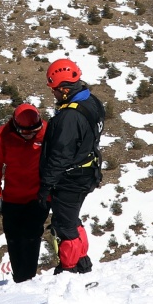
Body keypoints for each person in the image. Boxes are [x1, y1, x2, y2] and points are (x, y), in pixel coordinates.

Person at [38, 59, 107, 275]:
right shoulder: (91, 101)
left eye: (56, 90)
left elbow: (60, 156)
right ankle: (82, 260)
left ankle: (69, 268)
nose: (54, 95)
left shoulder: (68, 117)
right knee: (71, 218)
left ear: (65, 90)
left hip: (72, 178)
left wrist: (46, 185)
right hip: (86, 170)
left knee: (63, 224)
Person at [0, 103, 49, 282]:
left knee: (31, 237)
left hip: (38, 196)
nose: (29, 135)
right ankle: (19, 278)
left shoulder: (47, 131)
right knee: (13, 238)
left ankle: (26, 279)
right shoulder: (3, 135)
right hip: (12, 197)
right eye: (25, 132)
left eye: (33, 132)